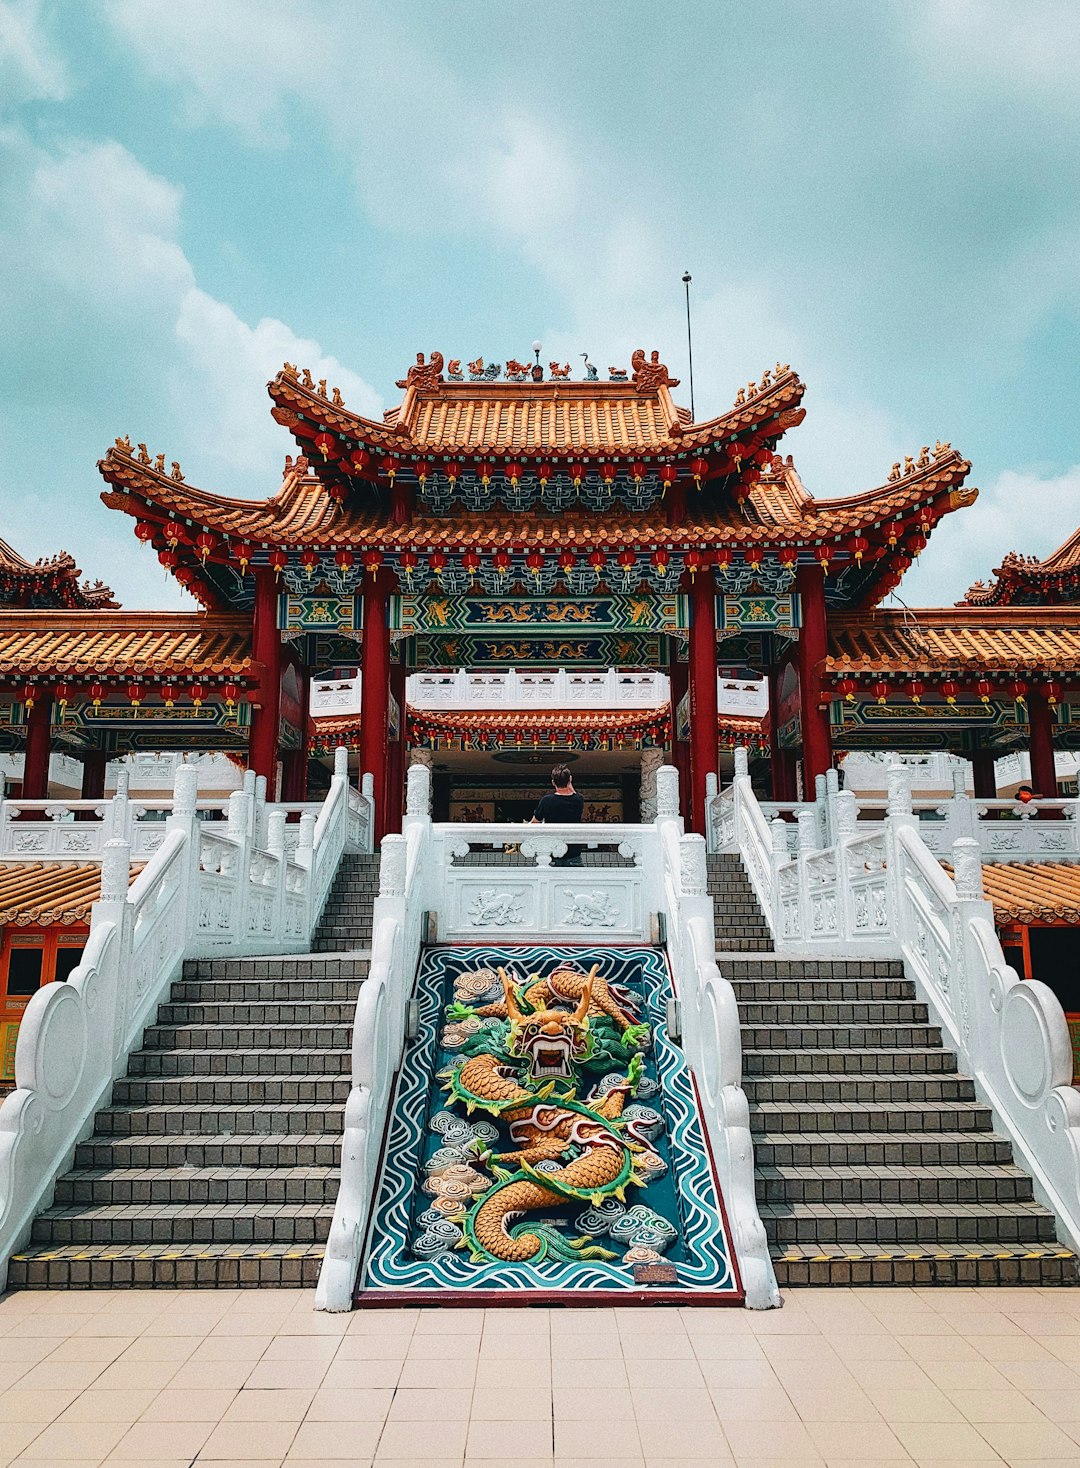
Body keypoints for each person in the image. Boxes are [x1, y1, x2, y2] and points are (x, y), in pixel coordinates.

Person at [532, 765, 584, 865]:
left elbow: (535, 822)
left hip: (552, 852)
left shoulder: (546, 800)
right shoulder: (578, 800)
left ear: (553, 782)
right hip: (573, 853)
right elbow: (574, 794)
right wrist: (569, 782)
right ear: (570, 780)